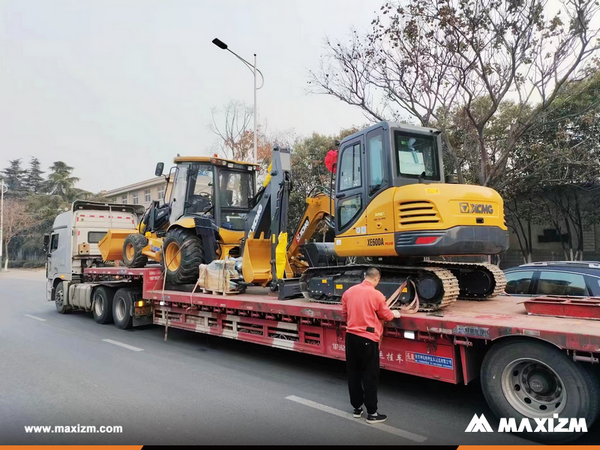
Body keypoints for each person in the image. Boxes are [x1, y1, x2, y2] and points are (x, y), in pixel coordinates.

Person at [341, 267, 401, 424]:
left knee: (353, 373)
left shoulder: (348, 292)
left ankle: (356, 409)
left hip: (351, 337)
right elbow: (386, 316)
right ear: (377, 279)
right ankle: (372, 413)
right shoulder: (377, 295)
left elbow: (344, 315)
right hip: (368, 339)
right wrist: (394, 313)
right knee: (370, 375)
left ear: (364, 276)